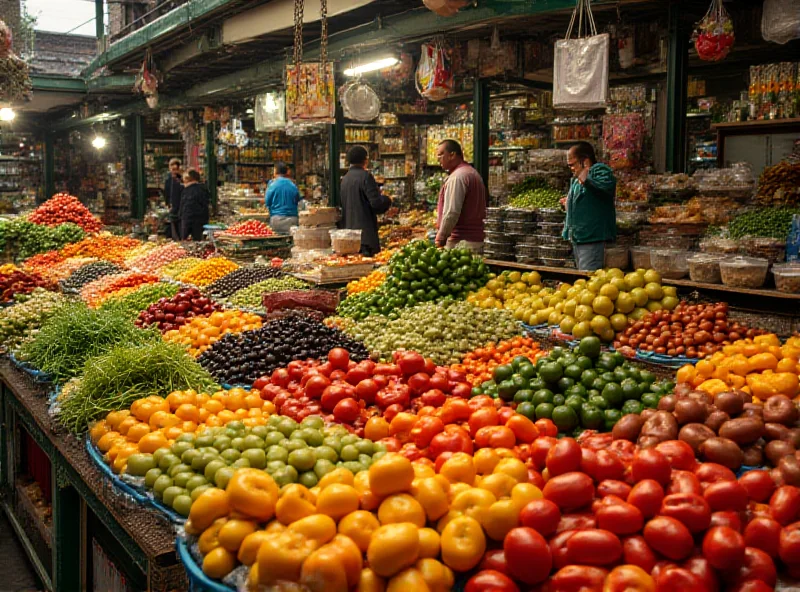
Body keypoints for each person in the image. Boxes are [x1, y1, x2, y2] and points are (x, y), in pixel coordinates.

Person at [562, 141, 617, 272]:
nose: (571, 168)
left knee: (588, 279)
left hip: (592, 238)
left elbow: (604, 187)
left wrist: (585, 179)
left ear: (585, 161)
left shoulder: (599, 170)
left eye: (573, 164)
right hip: (579, 237)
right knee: (581, 279)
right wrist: (568, 203)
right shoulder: (576, 180)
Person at [434, 139, 487, 254]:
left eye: (440, 155)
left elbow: (451, 212)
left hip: (462, 244)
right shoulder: (471, 172)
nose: (438, 160)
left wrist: (441, 237)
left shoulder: (458, 177)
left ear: (452, 155)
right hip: (475, 240)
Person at [340, 146, 392, 256]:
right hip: (365, 238)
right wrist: (387, 199)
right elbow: (376, 204)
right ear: (365, 160)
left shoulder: (345, 179)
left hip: (349, 236)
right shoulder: (365, 177)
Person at [265, 162, 302, 235]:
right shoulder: (293, 185)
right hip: (293, 221)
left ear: (275, 171)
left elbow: (267, 202)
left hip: (276, 220)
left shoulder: (272, 185)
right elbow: (298, 200)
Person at [179, 169, 210, 241]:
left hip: (188, 220)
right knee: (198, 241)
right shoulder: (203, 189)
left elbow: (184, 206)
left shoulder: (187, 191)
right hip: (201, 221)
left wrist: (181, 216)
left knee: (185, 241)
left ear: (188, 178)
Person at [164, 158, 183, 240]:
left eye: (175, 169)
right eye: (172, 168)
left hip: (180, 207)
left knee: (179, 226)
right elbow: (167, 193)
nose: (173, 171)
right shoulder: (168, 180)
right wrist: (168, 204)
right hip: (173, 207)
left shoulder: (182, 180)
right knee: (173, 225)